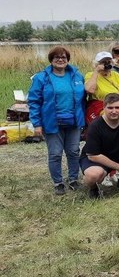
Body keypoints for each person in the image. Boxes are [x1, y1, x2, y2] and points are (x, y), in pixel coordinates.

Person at [28, 46, 86, 195]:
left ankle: (73, 179)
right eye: (57, 57)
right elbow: (34, 102)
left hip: (73, 122)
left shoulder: (77, 76)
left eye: (63, 57)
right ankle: (58, 183)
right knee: (55, 154)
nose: (60, 60)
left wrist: (84, 120)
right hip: (52, 122)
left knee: (73, 152)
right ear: (51, 60)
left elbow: (83, 100)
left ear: (68, 59)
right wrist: (37, 124)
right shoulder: (41, 78)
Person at [80, 93, 119, 199]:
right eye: (110, 108)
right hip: (99, 158)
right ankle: (93, 188)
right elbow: (93, 156)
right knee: (93, 175)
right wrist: (118, 167)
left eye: (117, 107)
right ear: (104, 107)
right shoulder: (95, 126)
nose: (114, 111)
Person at [85, 51, 119, 125]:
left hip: (116, 106)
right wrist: (97, 71)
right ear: (97, 64)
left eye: (109, 62)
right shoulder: (91, 75)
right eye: (103, 62)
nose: (107, 64)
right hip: (100, 108)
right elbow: (90, 90)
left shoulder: (116, 75)